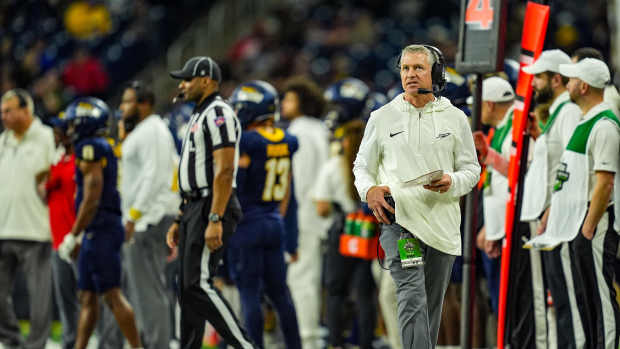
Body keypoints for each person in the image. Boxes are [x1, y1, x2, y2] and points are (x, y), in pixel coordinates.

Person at [353, 44, 480, 348]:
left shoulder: (456, 119)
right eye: (406, 69)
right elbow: (362, 166)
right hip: (400, 222)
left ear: (435, 73)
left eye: (418, 68)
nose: (410, 75)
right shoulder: (381, 117)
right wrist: (368, 190)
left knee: (430, 306)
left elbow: (471, 170)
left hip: (443, 225)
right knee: (411, 296)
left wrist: (452, 181)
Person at [166, 56, 255, 349]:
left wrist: (215, 218)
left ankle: (244, 345)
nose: (182, 85)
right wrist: (181, 217)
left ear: (206, 80)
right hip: (195, 205)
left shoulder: (219, 113)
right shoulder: (198, 113)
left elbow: (225, 170)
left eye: (187, 79)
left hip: (211, 206)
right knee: (187, 287)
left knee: (198, 283)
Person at [540, 58, 620, 349]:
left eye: (572, 79)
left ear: (584, 86)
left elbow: (605, 182)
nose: (568, 83)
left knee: (600, 294)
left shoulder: (605, 124)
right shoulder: (588, 119)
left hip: (595, 220)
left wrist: (588, 226)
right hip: (580, 218)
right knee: (587, 296)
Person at [55, 97, 142, 349]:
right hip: (99, 227)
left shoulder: (90, 147)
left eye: (72, 123)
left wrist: (74, 234)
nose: (69, 129)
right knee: (88, 296)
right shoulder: (105, 145)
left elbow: (92, 198)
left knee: (112, 295)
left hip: (101, 226)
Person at [227, 80, 302, 349]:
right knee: (280, 294)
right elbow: (287, 192)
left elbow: (236, 186)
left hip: (248, 223)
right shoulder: (288, 139)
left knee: (249, 293)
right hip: (274, 222)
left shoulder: (247, 141)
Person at [520, 49, 583, 348]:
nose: (533, 84)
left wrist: (552, 210)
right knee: (558, 295)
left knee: (568, 296)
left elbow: (572, 164)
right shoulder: (558, 113)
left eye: (539, 78)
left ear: (556, 79)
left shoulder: (569, 113)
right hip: (551, 217)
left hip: (560, 218)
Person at [118, 81, 180, 349]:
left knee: (149, 291)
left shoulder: (152, 130)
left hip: (148, 219)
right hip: (148, 217)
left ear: (144, 103)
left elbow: (154, 177)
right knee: (144, 290)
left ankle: (157, 345)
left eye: (128, 102)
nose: (122, 107)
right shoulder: (148, 130)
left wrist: (133, 216)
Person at [315, 118, 377, 349]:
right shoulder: (372, 167)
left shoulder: (333, 166)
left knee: (335, 291)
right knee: (364, 292)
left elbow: (321, 208)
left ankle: (335, 342)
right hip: (367, 230)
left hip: (342, 231)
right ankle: (366, 342)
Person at [0, 88, 55, 349]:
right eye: (2, 112)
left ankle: (35, 345)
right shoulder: (3, 141)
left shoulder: (47, 138)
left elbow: (58, 180)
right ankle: (10, 338)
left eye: (9, 110)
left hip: (37, 229)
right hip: (4, 228)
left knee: (39, 297)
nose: (4, 116)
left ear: (26, 110)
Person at [281, 76, 330, 349]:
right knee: (309, 279)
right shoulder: (320, 129)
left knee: (301, 279)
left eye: (288, 98)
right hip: (319, 211)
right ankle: (310, 335)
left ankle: (307, 338)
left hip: (302, 214)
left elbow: (296, 181)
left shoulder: (298, 132)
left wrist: (286, 217)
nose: (283, 104)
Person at [46, 116, 79, 349]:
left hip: (77, 238)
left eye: (59, 131)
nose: (55, 136)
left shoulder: (82, 159)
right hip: (57, 239)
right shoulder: (55, 160)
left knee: (91, 296)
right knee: (65, 299)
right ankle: (71, 343)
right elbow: (40, 188)